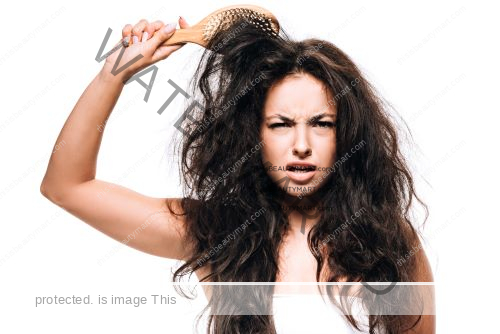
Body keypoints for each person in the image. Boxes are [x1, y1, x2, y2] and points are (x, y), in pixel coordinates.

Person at [40, 16, 435, 334]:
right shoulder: (217, 232)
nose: (301, 144)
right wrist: (116, 71)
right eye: (281, 124)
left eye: (322, 123)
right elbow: (67, 187)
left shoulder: (390, 240)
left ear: (346, 133)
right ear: (253, 135)